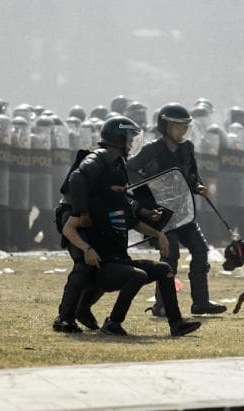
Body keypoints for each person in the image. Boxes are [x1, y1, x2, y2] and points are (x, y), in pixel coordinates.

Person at [58, 115, 202, 337]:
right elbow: (77, 179)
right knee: (85, 267)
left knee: (108, 264)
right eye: (130, 137)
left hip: (99, 214)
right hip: (78, 213)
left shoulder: (117, 164)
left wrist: (147, 218)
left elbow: (123, 199)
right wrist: (83, 213)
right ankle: (65, 319)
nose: (133, 143)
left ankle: (176, 323)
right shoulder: (101, 156)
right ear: (119, 138)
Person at [126, 103, 226, 317]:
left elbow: (191, 174)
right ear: (165, 126)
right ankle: (162, 305)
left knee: (201, 250)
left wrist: (197, 186)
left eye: (184, 127)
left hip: (184, 211)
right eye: (177, 127)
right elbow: (129, 168)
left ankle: (201, 302)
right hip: (161, 214)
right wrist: (150, 183)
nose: (182, 131)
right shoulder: (151, 149)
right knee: (169, 256)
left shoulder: (187, 148)